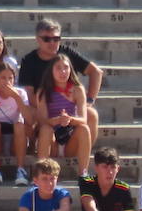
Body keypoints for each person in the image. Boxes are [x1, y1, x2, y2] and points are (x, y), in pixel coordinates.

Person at [18, 19, 102, 147]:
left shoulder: (66, 54)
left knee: (92, 114)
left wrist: (89, 101)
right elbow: (28, 94)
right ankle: (37, 149)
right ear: (38, 39)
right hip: (41, 106)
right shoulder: (29, 61)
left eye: (56, 39)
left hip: (68, 107)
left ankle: (80, 152)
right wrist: (49, 109)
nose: (52, 42)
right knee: (30, 115)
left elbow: (96, 72)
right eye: (47, 39)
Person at [35, 52, 92, 177]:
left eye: (66, 67)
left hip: (70, 139)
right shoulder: (43, 91)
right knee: (45, 129)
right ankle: (41, 172)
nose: (63, 71)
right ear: (51, 71)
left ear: (70, 70)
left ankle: (83, 174)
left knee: (84, 129)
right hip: (52, 140)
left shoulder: (78, 89)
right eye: (58, 68)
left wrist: (69, 119)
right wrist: (57, 120)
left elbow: (83, 119)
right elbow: (42, 121)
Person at [0, 60, 29, 186]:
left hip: (15, 135)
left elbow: (29, 119)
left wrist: (17, 98)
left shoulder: (20, 93)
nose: (7, 81)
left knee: (19, 124)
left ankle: (20, 169)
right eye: (3, 78)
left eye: (10, 78)